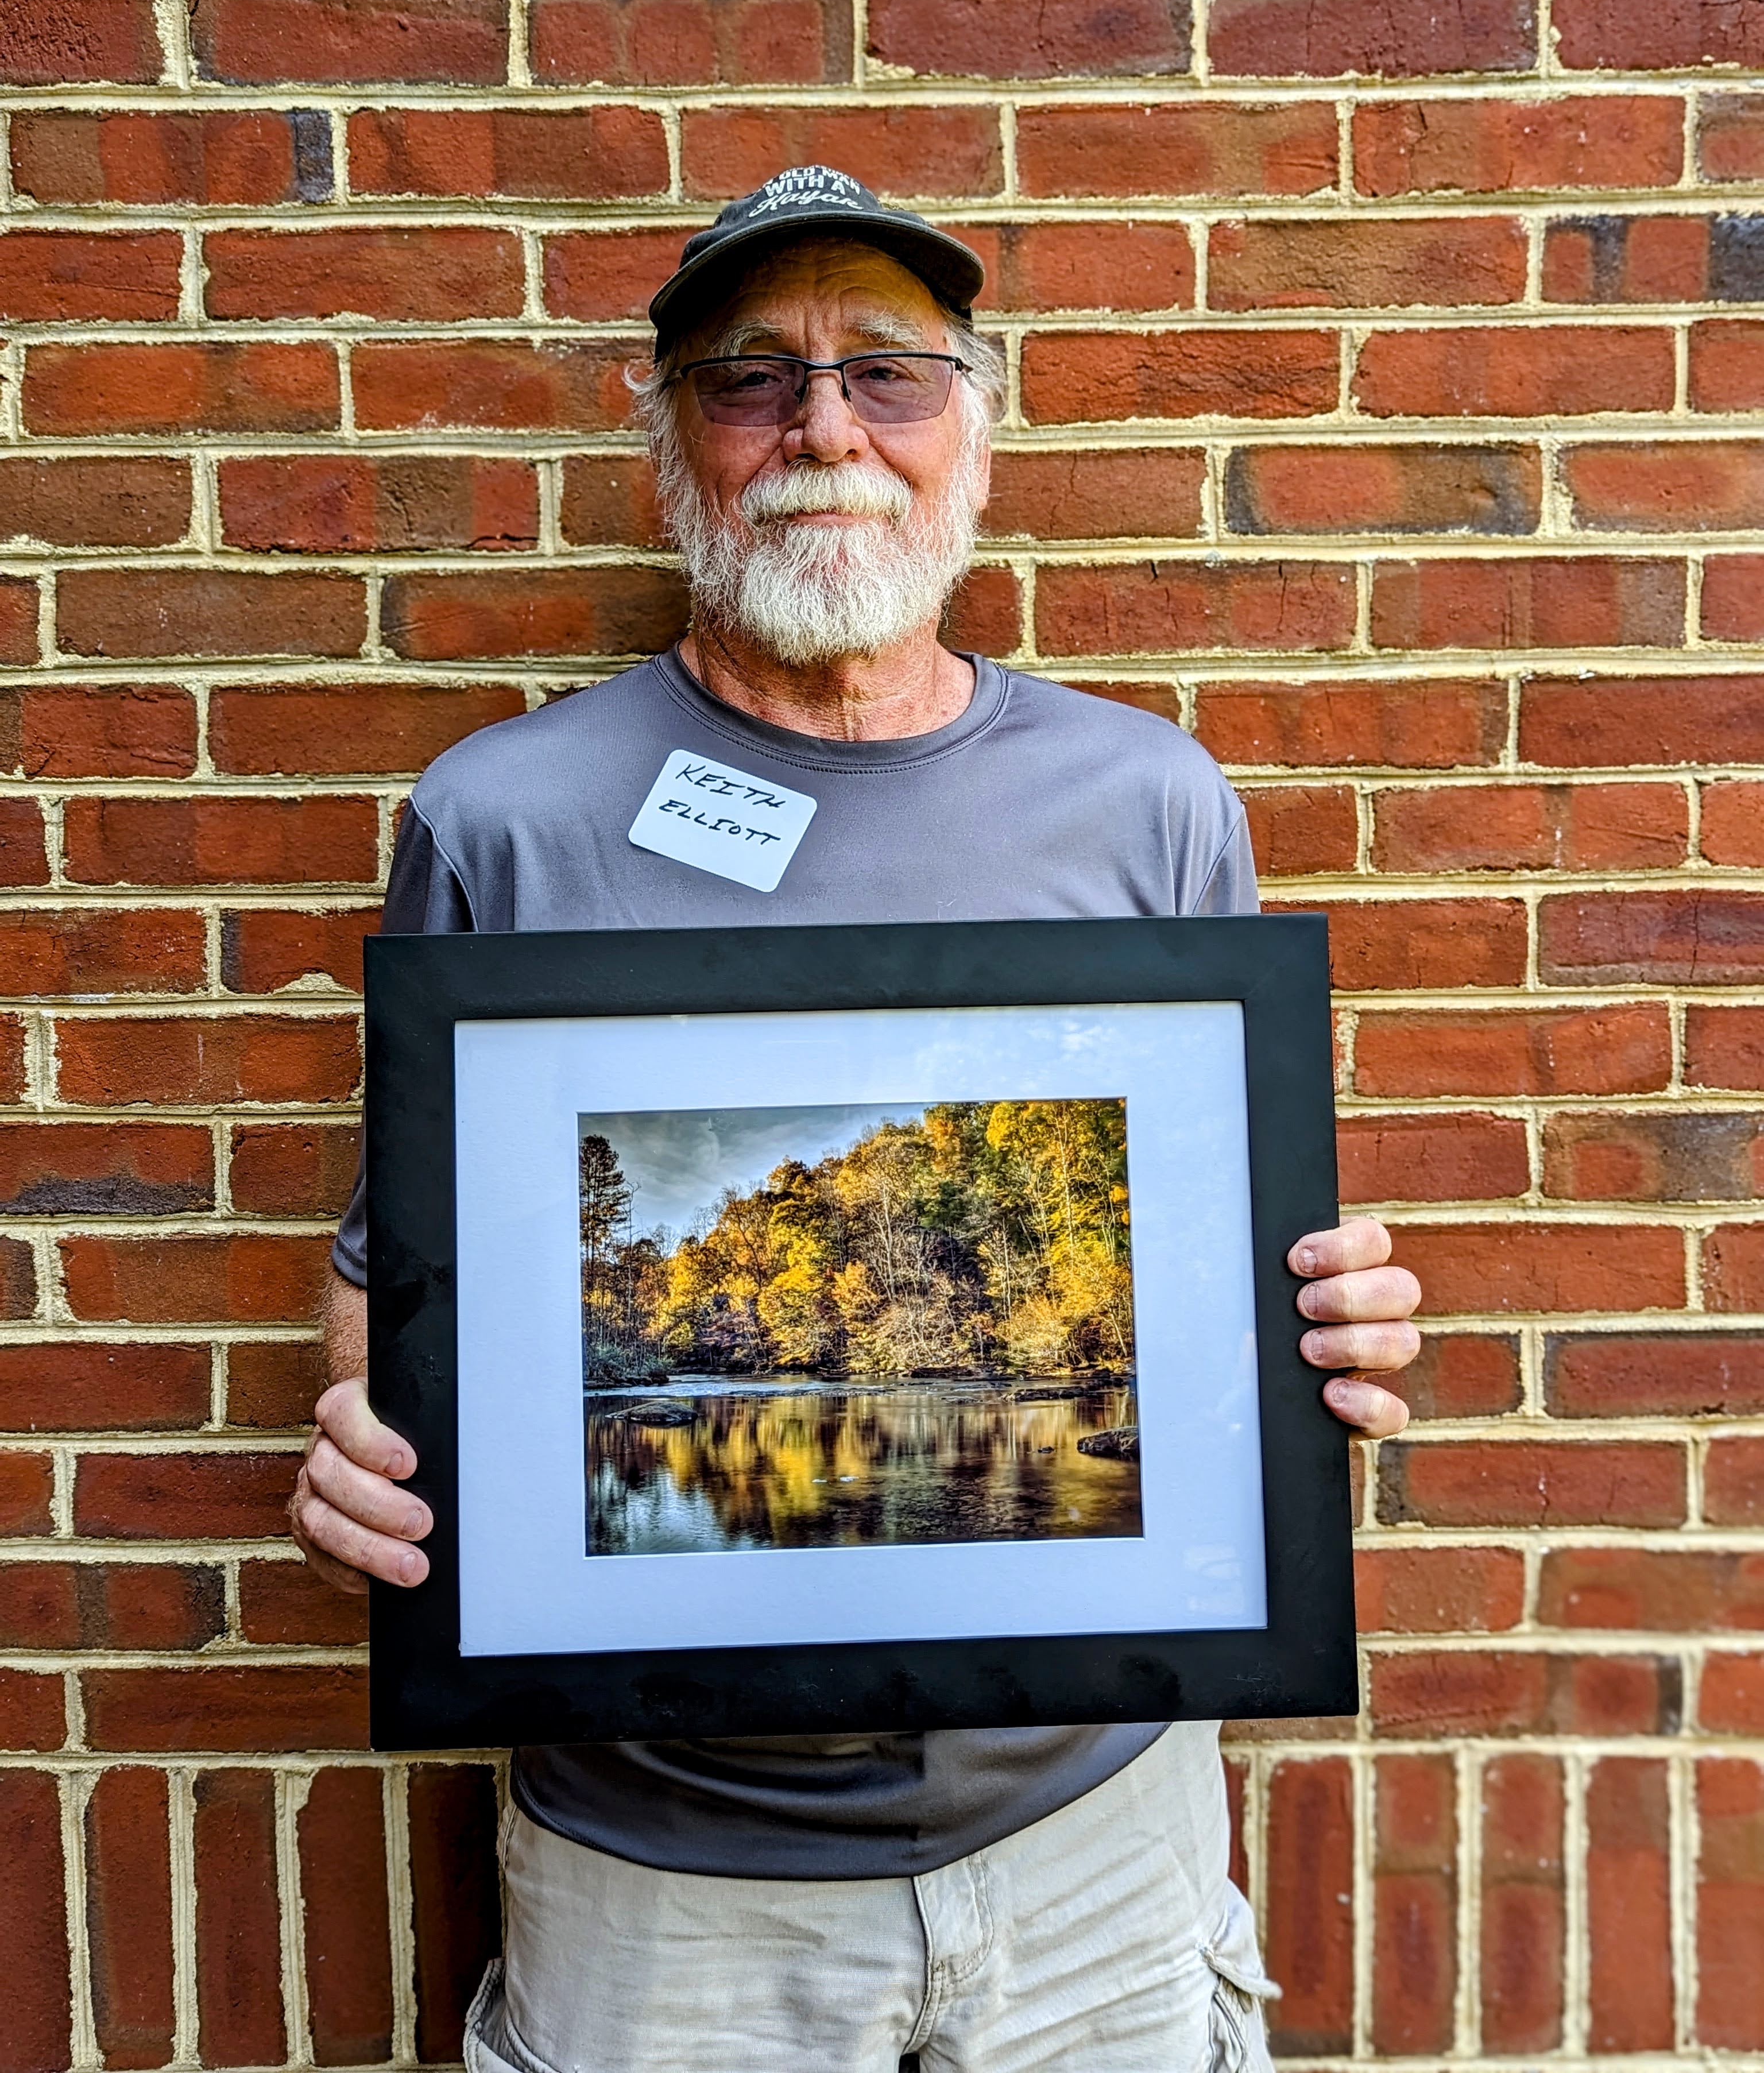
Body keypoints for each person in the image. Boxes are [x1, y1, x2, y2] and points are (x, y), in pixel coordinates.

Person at [293, 167, 1422, 2073]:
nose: (827, 428)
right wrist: (373, 1451)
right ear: (672, 438)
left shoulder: (1148, 800)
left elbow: (1223, 1281)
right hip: (663, 1893)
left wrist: (1324, 1339)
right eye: (754, 379)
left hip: (1100, 1855)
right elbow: (392, 1284)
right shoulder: (507, 817)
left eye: (889, 374)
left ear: (978, 421)